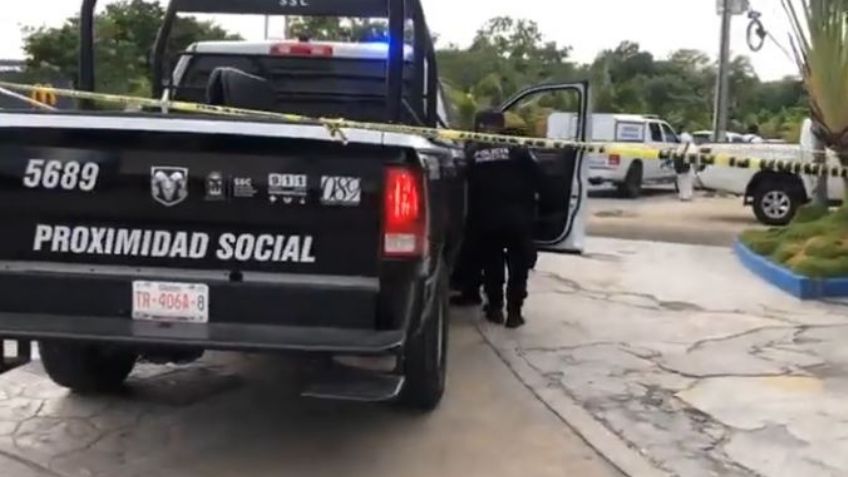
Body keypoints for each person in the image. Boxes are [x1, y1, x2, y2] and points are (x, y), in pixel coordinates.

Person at [466, 110, 549, 329]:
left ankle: (495, 309)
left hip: (487, 219)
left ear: (479, 127)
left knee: (492, 265)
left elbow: (466, 186)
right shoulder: (518, 149)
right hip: (518, 218)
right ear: (501, 126)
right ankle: (514, 313)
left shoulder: (473, 153)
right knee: (518, 267)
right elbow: (540, 178)